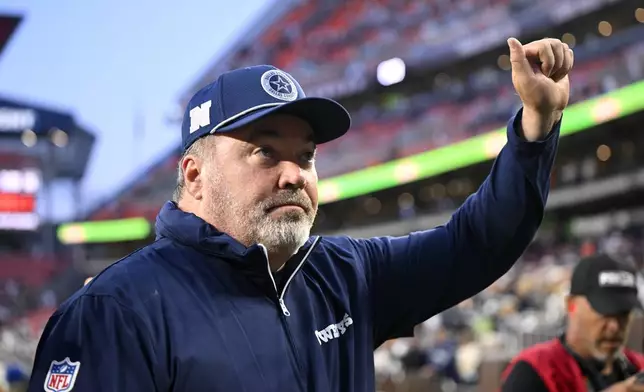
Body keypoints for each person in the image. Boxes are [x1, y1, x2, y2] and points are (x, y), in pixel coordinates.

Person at [28, 37, 573, 391]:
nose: (295, 173)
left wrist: (536, 129)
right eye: (265, 151)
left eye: (306, 155)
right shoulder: (113, 312)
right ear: (194, 175)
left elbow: (477, 244)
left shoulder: (345, 274)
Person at [500, 254, 644, 392]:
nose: (614, 326)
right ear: (571, 305)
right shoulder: (535, 369)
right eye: (604, 312)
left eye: (624, 314)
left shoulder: (638, 367)